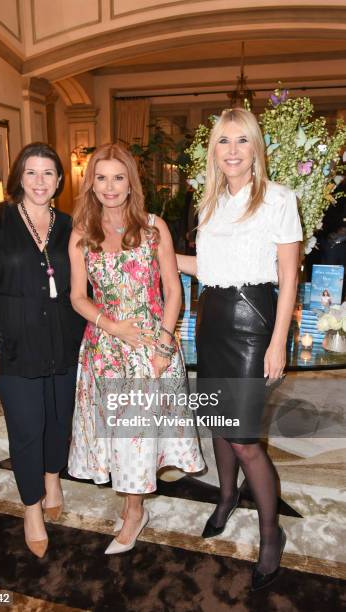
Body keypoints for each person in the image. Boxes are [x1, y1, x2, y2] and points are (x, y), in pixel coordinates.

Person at [177, 109, 302, 591]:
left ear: (255, 149)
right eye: (224, 141)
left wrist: (278, 344)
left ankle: (272, 533)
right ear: (215, 150)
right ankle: (226, 498)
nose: (232, 151)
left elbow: (289, 277)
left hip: (254, 324)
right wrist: (159, 249)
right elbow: (206, 266)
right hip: (214, 321)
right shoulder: (209, 203)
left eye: (242, 142)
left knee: (245, 437)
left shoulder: (278, 199)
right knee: (217, 424)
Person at [68, 143, 204, 554]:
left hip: (149, 348)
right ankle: (133, 505)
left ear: (131, 183)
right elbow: (78, 297)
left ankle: (133, 513)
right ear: (91, 182)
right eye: (101, 177)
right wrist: (112, 326)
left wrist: (164, 344)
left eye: (118, 178)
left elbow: (172, 291)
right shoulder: (82, 233)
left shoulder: (152, 227)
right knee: (116, 438)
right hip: (103, 347)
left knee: (136, 438)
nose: (109, 187)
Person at [0, 142, 86, 558]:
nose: (39, 181)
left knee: (58, 419)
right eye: (31, 172)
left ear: (60, 181)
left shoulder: (69, 225)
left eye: (48, 173)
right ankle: (31, 507)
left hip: (64, 340)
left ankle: (53, 477)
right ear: (19, 177)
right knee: (27, 426)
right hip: (12, 342)